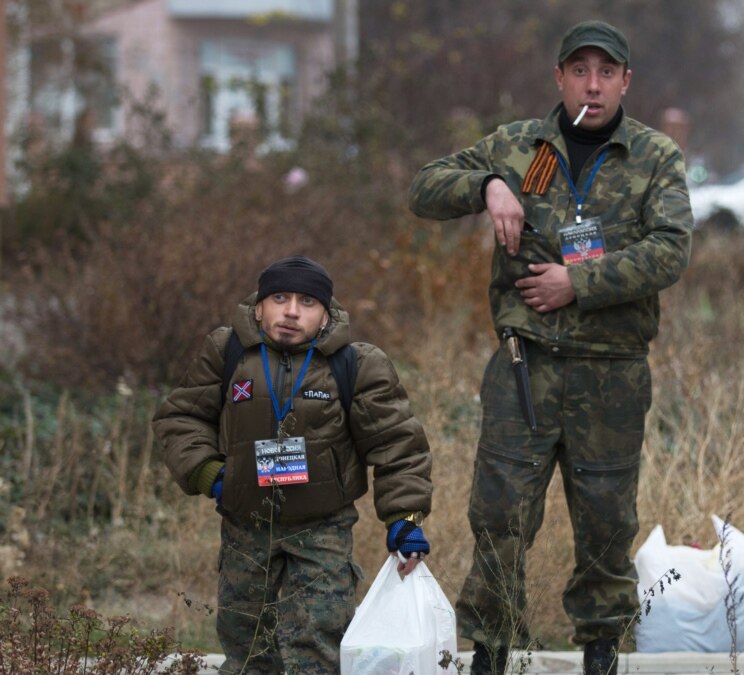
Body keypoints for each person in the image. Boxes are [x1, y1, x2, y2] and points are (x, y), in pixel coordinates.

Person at [408, 19, 692, 675]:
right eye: (579, 71)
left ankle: (599, 648)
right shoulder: (519, 146)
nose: (592, 85)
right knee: (500, 516)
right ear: (559, 77)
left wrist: (578, 282)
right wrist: (488, 185)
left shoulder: (654, 156)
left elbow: (670, 251)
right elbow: (424, 186)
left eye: (606, 73)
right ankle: (493, 646)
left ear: (625, 81)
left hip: (611, 374)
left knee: (605, 521)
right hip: (523, 367)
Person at [154, 255, 433, 674]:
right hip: (245, 526)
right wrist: (209, 474)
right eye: (279, 298)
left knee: (317, 644)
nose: (290, 311)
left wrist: (404, 518)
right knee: (247, 646)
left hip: (323, 530)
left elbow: (397, 444)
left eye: (306, 302)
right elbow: (181, 419)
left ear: (325, 314)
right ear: (259, 307)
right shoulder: (227, 350)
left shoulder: (357, 364)